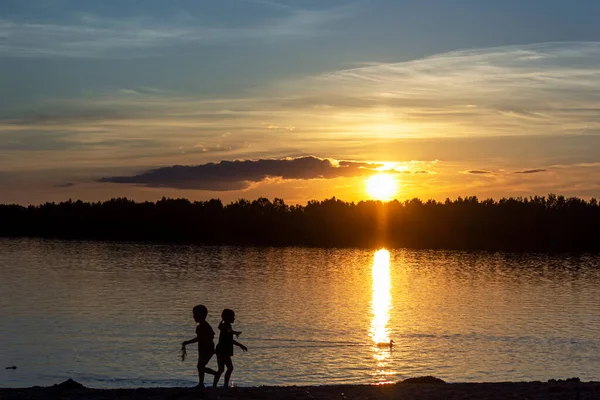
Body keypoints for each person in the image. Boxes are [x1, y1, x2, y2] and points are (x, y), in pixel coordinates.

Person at [181, 305, 217, 393]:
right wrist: (188, 342)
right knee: (200, 366)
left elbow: (209, 336)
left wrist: (188, 342)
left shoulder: (205, 326)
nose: (193, 316)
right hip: (202, 349)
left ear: (202, 315)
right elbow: (200, 338)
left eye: (195, 314)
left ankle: (216, 374)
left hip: (207, 349)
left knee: (200, 366)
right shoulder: (200, 326)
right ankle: (201, 383)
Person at [213, 308, 248, 388]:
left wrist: (240, 345)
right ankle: (225, 385)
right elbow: (228, 331)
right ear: (227, 317)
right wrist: (235, 332)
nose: (234, 318)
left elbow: (230, 339)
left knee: (221, 369)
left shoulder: (224, 325)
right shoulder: (226, 325)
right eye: (232, 317)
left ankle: (214, 385)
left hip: (220, 350)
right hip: (223, 351)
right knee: (230, 368)